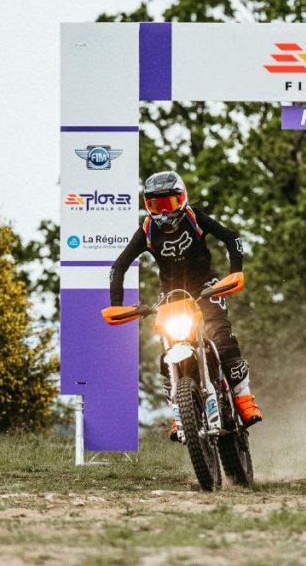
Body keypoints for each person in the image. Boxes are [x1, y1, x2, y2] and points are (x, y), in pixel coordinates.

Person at [109, 171, 262, 436]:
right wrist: (117, 303)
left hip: (206, 286)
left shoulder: (193, 217)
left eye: (169, 203)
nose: (163, 212)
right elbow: (119, 266)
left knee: (221, 337)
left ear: (182, 199)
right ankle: (178, 410)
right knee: (166, 350)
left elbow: (232, 237)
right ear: (147, 205)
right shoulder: (147, 229)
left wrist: (235, 272)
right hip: (171, 294)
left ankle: (243, 397)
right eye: (156, 205)